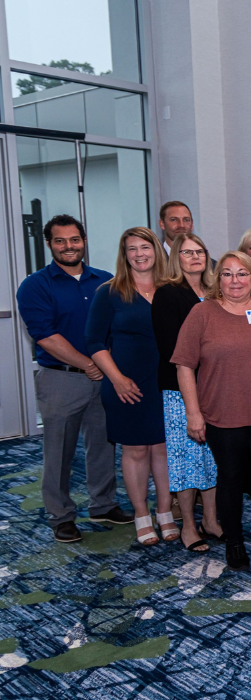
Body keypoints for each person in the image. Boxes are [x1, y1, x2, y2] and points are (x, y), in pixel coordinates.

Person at [172, 251, 251, 571]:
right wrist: (193, 413)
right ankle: (234, 543)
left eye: (242, 273)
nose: (235, 280)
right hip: (222, 413)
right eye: (227, 274)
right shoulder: (202, 313)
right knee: (230, 478)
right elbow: (184, 366)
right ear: (218, 279)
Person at [15, 215, 131, 543]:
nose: (69, 246)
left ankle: (103, 504)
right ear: (49, 244)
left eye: (74, 239)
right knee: (59, 450)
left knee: (104, 444)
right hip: (61, 379)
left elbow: (119, 327)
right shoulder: (35, 285)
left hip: (104, 378)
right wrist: (89, 364)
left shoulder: (107, 281)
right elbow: (45, 335)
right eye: (60, 240)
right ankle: (61, 516)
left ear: (84, 241)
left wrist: (108, 368)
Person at [85, 227, 172, 546]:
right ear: (124, 255)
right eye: (132, 249)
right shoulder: (109, 292)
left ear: (156, 251)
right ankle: (141, 515)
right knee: (135, 450)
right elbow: (94, 341)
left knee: (163, 448)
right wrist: (117, 379)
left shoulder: (171, 289)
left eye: (144, 247)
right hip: (126, 384)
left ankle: (165, 511)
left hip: (165, 382)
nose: (139, 254)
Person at [151, 233, 225, 552]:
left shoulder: (216, 292)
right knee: (185, 458)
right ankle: (189, 527)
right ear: (175, 258)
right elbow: (172, 348)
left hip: (217, 387)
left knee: (212, 457)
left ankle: (210, 520)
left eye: (200, 251)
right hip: (180, 389)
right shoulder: (168, 294)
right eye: (187, 252)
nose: (195, 257)